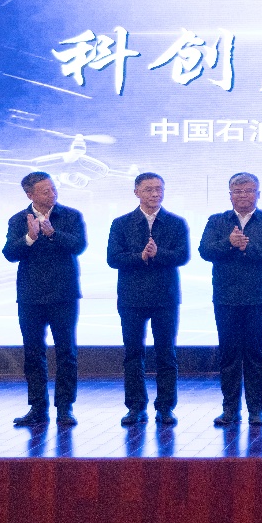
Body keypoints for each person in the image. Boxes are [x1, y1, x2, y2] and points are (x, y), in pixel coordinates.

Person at [200, 172, 262, 427]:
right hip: (226, 297)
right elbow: (205, 250)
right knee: (228, 355)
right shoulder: (217, 221)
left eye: (249, 191)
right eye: (237, 192)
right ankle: (230, 409)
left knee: (256, 354)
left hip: (258, 297)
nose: (243, 196)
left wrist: (247, 246)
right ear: (230, 195)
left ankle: (257, 410)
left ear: (258, 194)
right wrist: (229, 243)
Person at [3, 171, 87, 427]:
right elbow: (9, 253)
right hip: (30, 296)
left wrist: (53, 234)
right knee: (33, 353)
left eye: (53, 189)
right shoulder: (18, 219)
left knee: (66, 352)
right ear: (30, 195)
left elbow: (79, 246)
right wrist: (29, 237)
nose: (52, 194)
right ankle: (38, 407)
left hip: (63, 295)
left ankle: (65, 407)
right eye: (45, 191)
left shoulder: (70, 216)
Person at [107, 172, 190, 427]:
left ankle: (165, 407)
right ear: (136, 192)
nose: (155, 193)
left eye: (158, 189)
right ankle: (135, 407)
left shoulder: (175, 222)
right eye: (148, 189)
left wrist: (158, 253)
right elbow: (113, 258)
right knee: (133, 354)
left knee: (166, 353)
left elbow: (183, 256)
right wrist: (140, 256)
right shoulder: (121, 223)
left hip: (165, 297)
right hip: (132, 298)